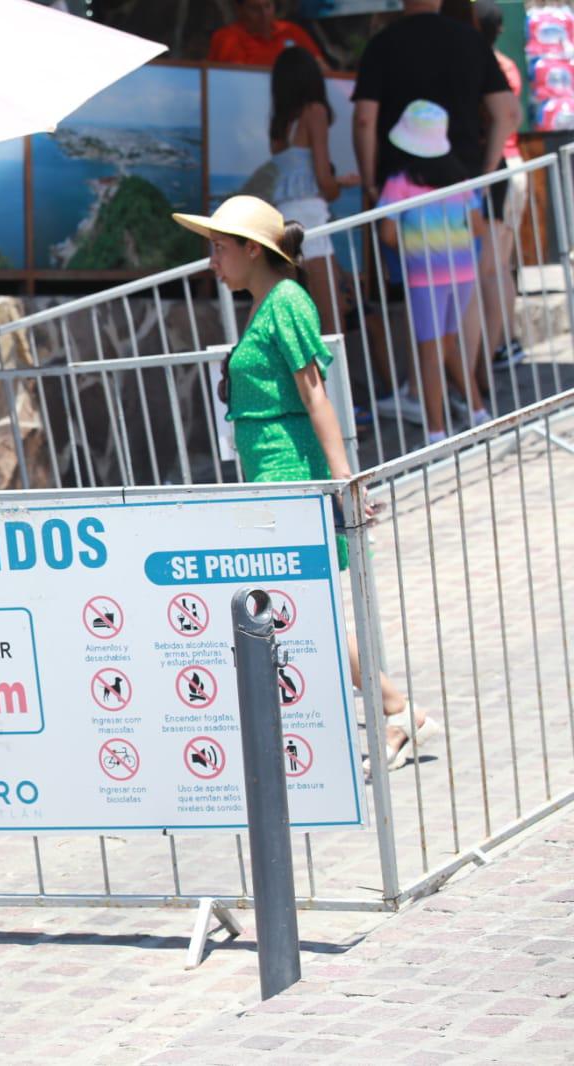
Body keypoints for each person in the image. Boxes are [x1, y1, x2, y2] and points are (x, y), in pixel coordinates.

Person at [172, 195, 440, 771]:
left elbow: (316, 393)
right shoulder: (266, 302)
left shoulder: (286, 300)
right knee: (299, 607)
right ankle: (394, 710)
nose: (211, 261)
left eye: (219, 248)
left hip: (291, 476)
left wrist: (346, 481)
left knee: (302, 607)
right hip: (271, 475)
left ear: (252, 250)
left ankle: (394, 711)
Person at [376, 100, 490, 440]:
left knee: (430, 349)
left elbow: (387, 234)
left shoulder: (399, 182)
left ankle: (436, 431)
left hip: (425, 275)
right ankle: (479, 412)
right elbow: (478, 225)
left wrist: (417, 246)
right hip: (463, 270)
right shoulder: (460, 178)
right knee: (448, 344)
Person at [351, 0, 515, 208]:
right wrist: (487, 174)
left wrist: (370, 182)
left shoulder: (380, 44)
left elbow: (364, 119)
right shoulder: (472, 40)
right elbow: (508, 113)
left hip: (399, 188)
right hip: (464, 184)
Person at [267, 47, 360, 331]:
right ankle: (333, 376)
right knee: (331, 318)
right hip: (311, 219)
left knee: (299, 321)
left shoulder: (279, 126)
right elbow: (322, 179)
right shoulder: (314, 112)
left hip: (281, 220)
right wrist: (337, 187)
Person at [470, 0, 530, 375]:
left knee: (491, 269)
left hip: (500, 170)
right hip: (512, 167)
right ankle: (506, 342)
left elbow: (508, 115)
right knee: (500, 266)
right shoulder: (501, 64)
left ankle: (492, 352)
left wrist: (486, 171)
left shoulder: (488, 66)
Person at [208, 0, 325, 69]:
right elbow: (233, 81)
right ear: (239, 9)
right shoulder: (226, 38)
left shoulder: (292, 31)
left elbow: (325, 71)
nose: (264, 14)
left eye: (268, 6)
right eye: (255, 9)